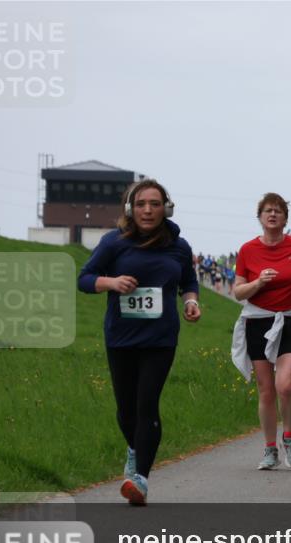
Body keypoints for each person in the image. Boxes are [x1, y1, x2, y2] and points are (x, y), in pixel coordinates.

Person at [78, 179, 201, 505]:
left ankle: (141, 481)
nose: (148, 210)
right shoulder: (113, 242)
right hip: (121, 337)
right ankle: (134, 449)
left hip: (160, 338)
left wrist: (191, 301)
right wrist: (111, 282)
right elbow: (84, 279)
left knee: (147, 405)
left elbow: (189, 281)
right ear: (131, 208)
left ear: (166, 208)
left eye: (155, 203)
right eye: (142, 203)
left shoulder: (178, 245)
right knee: (126, 410)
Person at [231, 193, 291, 469]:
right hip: (258, 320)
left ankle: (290, 438)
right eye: (268, 211)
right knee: (266, 389)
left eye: (278, 211)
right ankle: (270, 448)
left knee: (285, 384)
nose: (273, 215)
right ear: (260, 217)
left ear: (285, 218)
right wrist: (258, 282)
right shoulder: (247, 250)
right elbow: (237, 292)